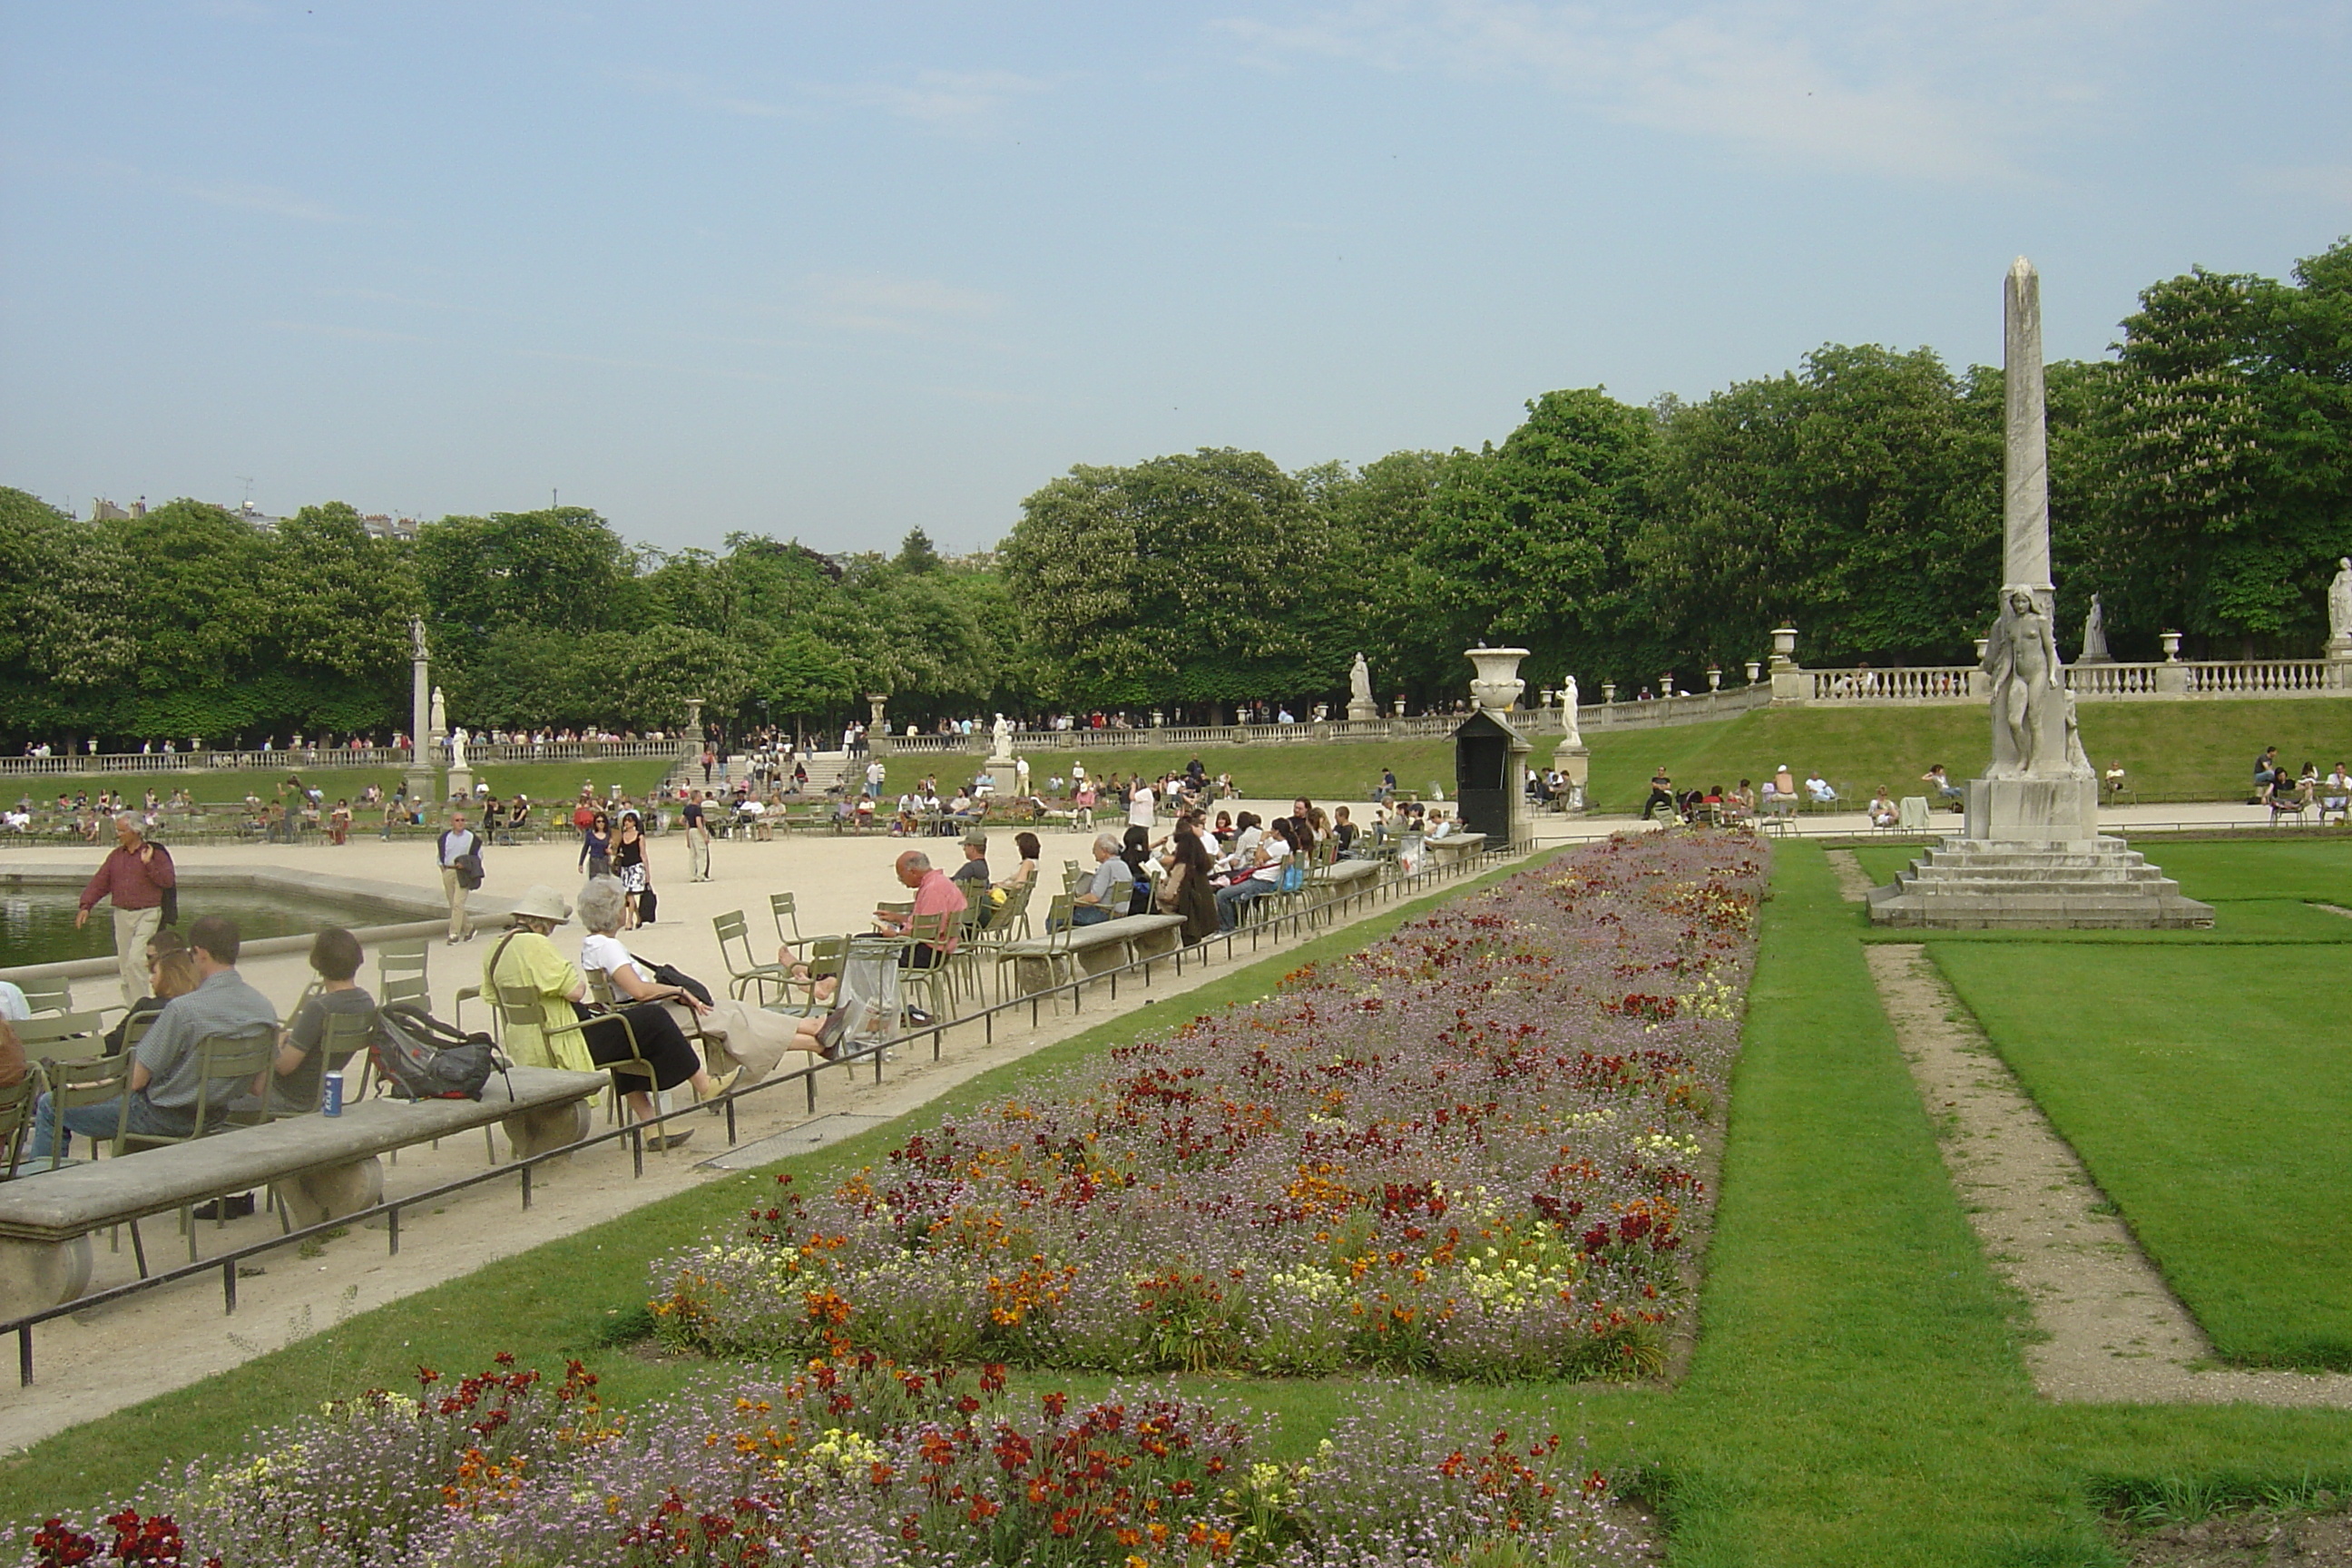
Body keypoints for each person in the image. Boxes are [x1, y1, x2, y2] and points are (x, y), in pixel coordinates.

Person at [484, 885, 732, 1150]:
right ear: (544, 921)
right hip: (561, 1038)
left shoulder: (498, 946)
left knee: (623, 1026)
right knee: (652, 1019)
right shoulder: (534, 945)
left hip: (529, 1040)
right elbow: (574, 991)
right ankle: (704, 1085)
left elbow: (492, 995)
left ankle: (652, 1126)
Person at [29, 915, 275, 1161]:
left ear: (200, 953)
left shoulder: (184, 1009)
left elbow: (135, 1081)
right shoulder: (264, 1008)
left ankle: (42, 1189)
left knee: (52, 1104)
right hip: (215, 1115)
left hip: (162, 1117)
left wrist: (89, 1086)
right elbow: (257, 1087)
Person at [258, 927, 377, 1113]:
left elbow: (284, 1067)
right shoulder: (366, 1002)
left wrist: (275, 1043)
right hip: (324, 1092)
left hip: (291, 1096)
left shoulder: (320, 1008)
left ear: (317, 962)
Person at [75, 812, 177, 1007]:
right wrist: (86, 905)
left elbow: (167, 881)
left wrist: (149, 864)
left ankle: (142, 1008)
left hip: (148, 913)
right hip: (122, 914)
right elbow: (100, 882)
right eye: (118, 830)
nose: (118, 834)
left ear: (136, 831)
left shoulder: (155, 854)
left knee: (136, 961)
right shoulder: (116, 856)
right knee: (124, 967)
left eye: (122, 830)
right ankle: (132, 1008)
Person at [101, 932, 192, 1054]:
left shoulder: (146, 1009)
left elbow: (112, 1046)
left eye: (151, 958)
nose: (147, 963)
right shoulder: (202, 1002)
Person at [1216, 818, 1292, 932]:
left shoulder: (1279, 846)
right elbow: (1261, 859)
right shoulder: (1283, 845)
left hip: (1261, 881)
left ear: (1277, 831)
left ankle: (1227, 927)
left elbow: (1258, 857)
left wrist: (1261, 840)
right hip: (1262, 878)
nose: (1270, 831)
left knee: (1222, 894)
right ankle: (1232, 923)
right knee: (1229, 888)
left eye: (1272, 829)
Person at [1159, 825, 1220, 945]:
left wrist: (1156, 885)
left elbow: (1168, 895)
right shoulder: (1201, 865)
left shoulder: (1181, 866)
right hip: (1199, 906)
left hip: (1184, 906)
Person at [1062, 833, 1127, 928]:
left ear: (1104, 851)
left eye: (1095, 849)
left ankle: (1052, 941)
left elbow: (1094, 897)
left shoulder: (1107, 867)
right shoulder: (1123, 866)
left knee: (1058, 914)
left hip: (1105, 915)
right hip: (1120, 913)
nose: (1093, 852)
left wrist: (1072, 902)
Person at [438, 809, 483, 946]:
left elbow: (478, 857)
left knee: (458, 903)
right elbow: (440, 855)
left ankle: (454, 934)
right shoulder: (444, 838)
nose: (460, 823)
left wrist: (466, 865)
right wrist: (443, 868)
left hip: (464, 873)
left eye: (463, 820)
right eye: (457, 820)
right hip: (448, 871)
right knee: (453, 904)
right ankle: (469, 928)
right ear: (452, 822)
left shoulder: (471, 838)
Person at [612, 812, 652, 926]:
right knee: (627, 895)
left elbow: (643, 854)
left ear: (634, 822)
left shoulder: (639, 836)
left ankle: (629, 920)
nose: (627, 823)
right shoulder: (622, 836)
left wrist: (647, 872)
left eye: (629, 821)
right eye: (626, 821)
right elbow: (618, 851)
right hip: (625, 868)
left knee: (631, 894)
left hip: (636, 867)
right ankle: (638, 916)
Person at [682, 789, 711, 881]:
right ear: (696, 797)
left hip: (691, 830)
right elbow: (698, 822)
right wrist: (704, 835)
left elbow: (683, 821)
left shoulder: (687, 808)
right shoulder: (697, 809)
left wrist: (687, 838)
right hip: (697, 831)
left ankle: (693, 875)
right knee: (701, 854)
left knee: (693, 855)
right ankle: (701, 875)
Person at [578, 809, 612, 879]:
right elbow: (585, 849)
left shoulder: (608, 834)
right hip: (594, 861)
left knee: (605, 883)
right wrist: (580, 863)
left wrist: (610, 851)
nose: (601, 823)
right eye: (598, 821)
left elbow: (613, 848)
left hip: (604, 861)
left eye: (603, 821)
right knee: (594, 883)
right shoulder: (590, 835)